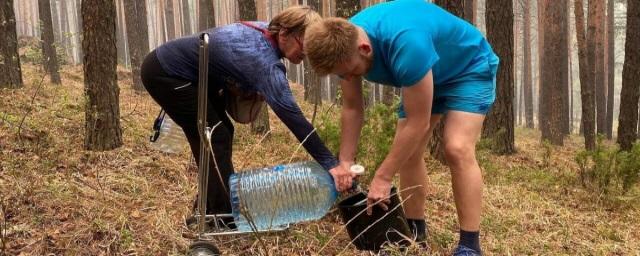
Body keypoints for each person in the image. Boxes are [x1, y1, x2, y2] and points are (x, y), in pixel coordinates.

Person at [304, 0, 499, 254]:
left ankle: (469, 246)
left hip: (467, 68)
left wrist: (383, 177)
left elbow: (418, 123)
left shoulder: (407, 44)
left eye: (351, 72)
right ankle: (415, 234)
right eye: (343, 75)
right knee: (409, 153)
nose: (349, 79)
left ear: (364, 48)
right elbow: (352, 109)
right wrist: (345, 161)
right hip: (423, 77)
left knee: (457, 147)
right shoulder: (343, 44)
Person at [140, 6, 342, 228]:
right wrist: (330, 163)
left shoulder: (266, 32)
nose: (305, 56)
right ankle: (219, 216)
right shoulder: (264, 62)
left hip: (189, 75)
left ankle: (212, 207)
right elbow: (294, 119)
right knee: (215, 137)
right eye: (304, 46)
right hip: (167, 74)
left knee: (219, 134)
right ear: (284, 32)